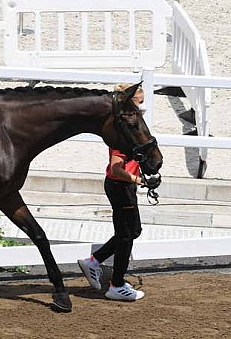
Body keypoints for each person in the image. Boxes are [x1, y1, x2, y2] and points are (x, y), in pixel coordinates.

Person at [78, 83, 146, 301]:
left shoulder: (129, 125)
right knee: (127, 235)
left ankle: (95, 261)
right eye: (139, 101)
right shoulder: (122, 129)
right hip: (120, 185)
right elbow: (116, 166)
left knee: (133, 231)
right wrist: (136, 178)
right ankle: (116, 284)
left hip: (123, 186)